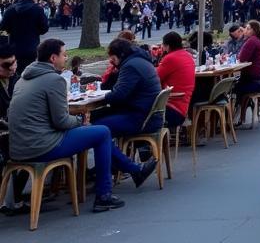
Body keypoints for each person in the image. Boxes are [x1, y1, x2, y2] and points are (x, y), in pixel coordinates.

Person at [10, 39, 156, 213]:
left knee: (98, 129)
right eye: (64, 54)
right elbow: (62, 121)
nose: (67, 58)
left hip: (19, 148)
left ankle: (130, 170)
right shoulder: (53, 80)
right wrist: (80, 121)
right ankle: (104, 194)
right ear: (53, 58)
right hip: (43, 145)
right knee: (102, 132)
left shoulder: (22, 80)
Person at [93, 38, 162, 139]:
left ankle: (119, 155)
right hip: (148, 113)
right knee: (96, 116)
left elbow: (119, 95)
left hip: (141, 118)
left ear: (121, 55)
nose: (112, 62)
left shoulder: (130, 66)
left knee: (97, 129)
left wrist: (103, 97)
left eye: (113, 59)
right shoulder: (142, 61)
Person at [0, 0, 49, 78]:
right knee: (29, 75)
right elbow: (44, 29)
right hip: (31, 48)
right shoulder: (37, 9)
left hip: (14, 48)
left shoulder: (11, 9)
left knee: (13, 75)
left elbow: (3, 27)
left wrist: (12, 29)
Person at [155, 31, 194, 131]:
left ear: (167, 46)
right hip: (184, 106)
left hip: (172, 108)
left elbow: (154, 78)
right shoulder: (187, 55)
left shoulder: (170, 58)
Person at [235, 20, 260, 120]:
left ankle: (236, 115)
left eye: (248, 29)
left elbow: (241, 58)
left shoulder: (252, 40)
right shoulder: (259, 41)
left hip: (253, 79)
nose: (245, 30)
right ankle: (241, 114)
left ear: (255, 31)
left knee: (233, 88)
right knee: (237, 85)